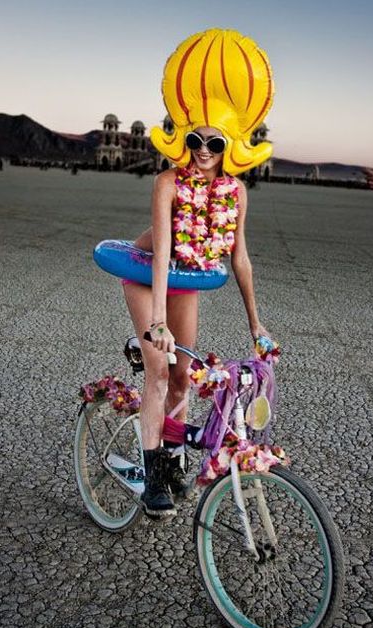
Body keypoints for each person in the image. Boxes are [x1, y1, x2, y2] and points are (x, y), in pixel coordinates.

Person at [122, 28, 276, 518]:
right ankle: (152, 479)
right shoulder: (166, 182)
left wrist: (257, 325)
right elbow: (163, 253)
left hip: (188, 277)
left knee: (184, 380)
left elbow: (240, 258)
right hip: (149, 274)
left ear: (229, 145)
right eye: (195, 140)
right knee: (158, 372)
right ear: (183, 140)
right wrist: (159, 322)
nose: (204, 149)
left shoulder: (236, 191)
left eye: (214, 141)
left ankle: (172, 460)